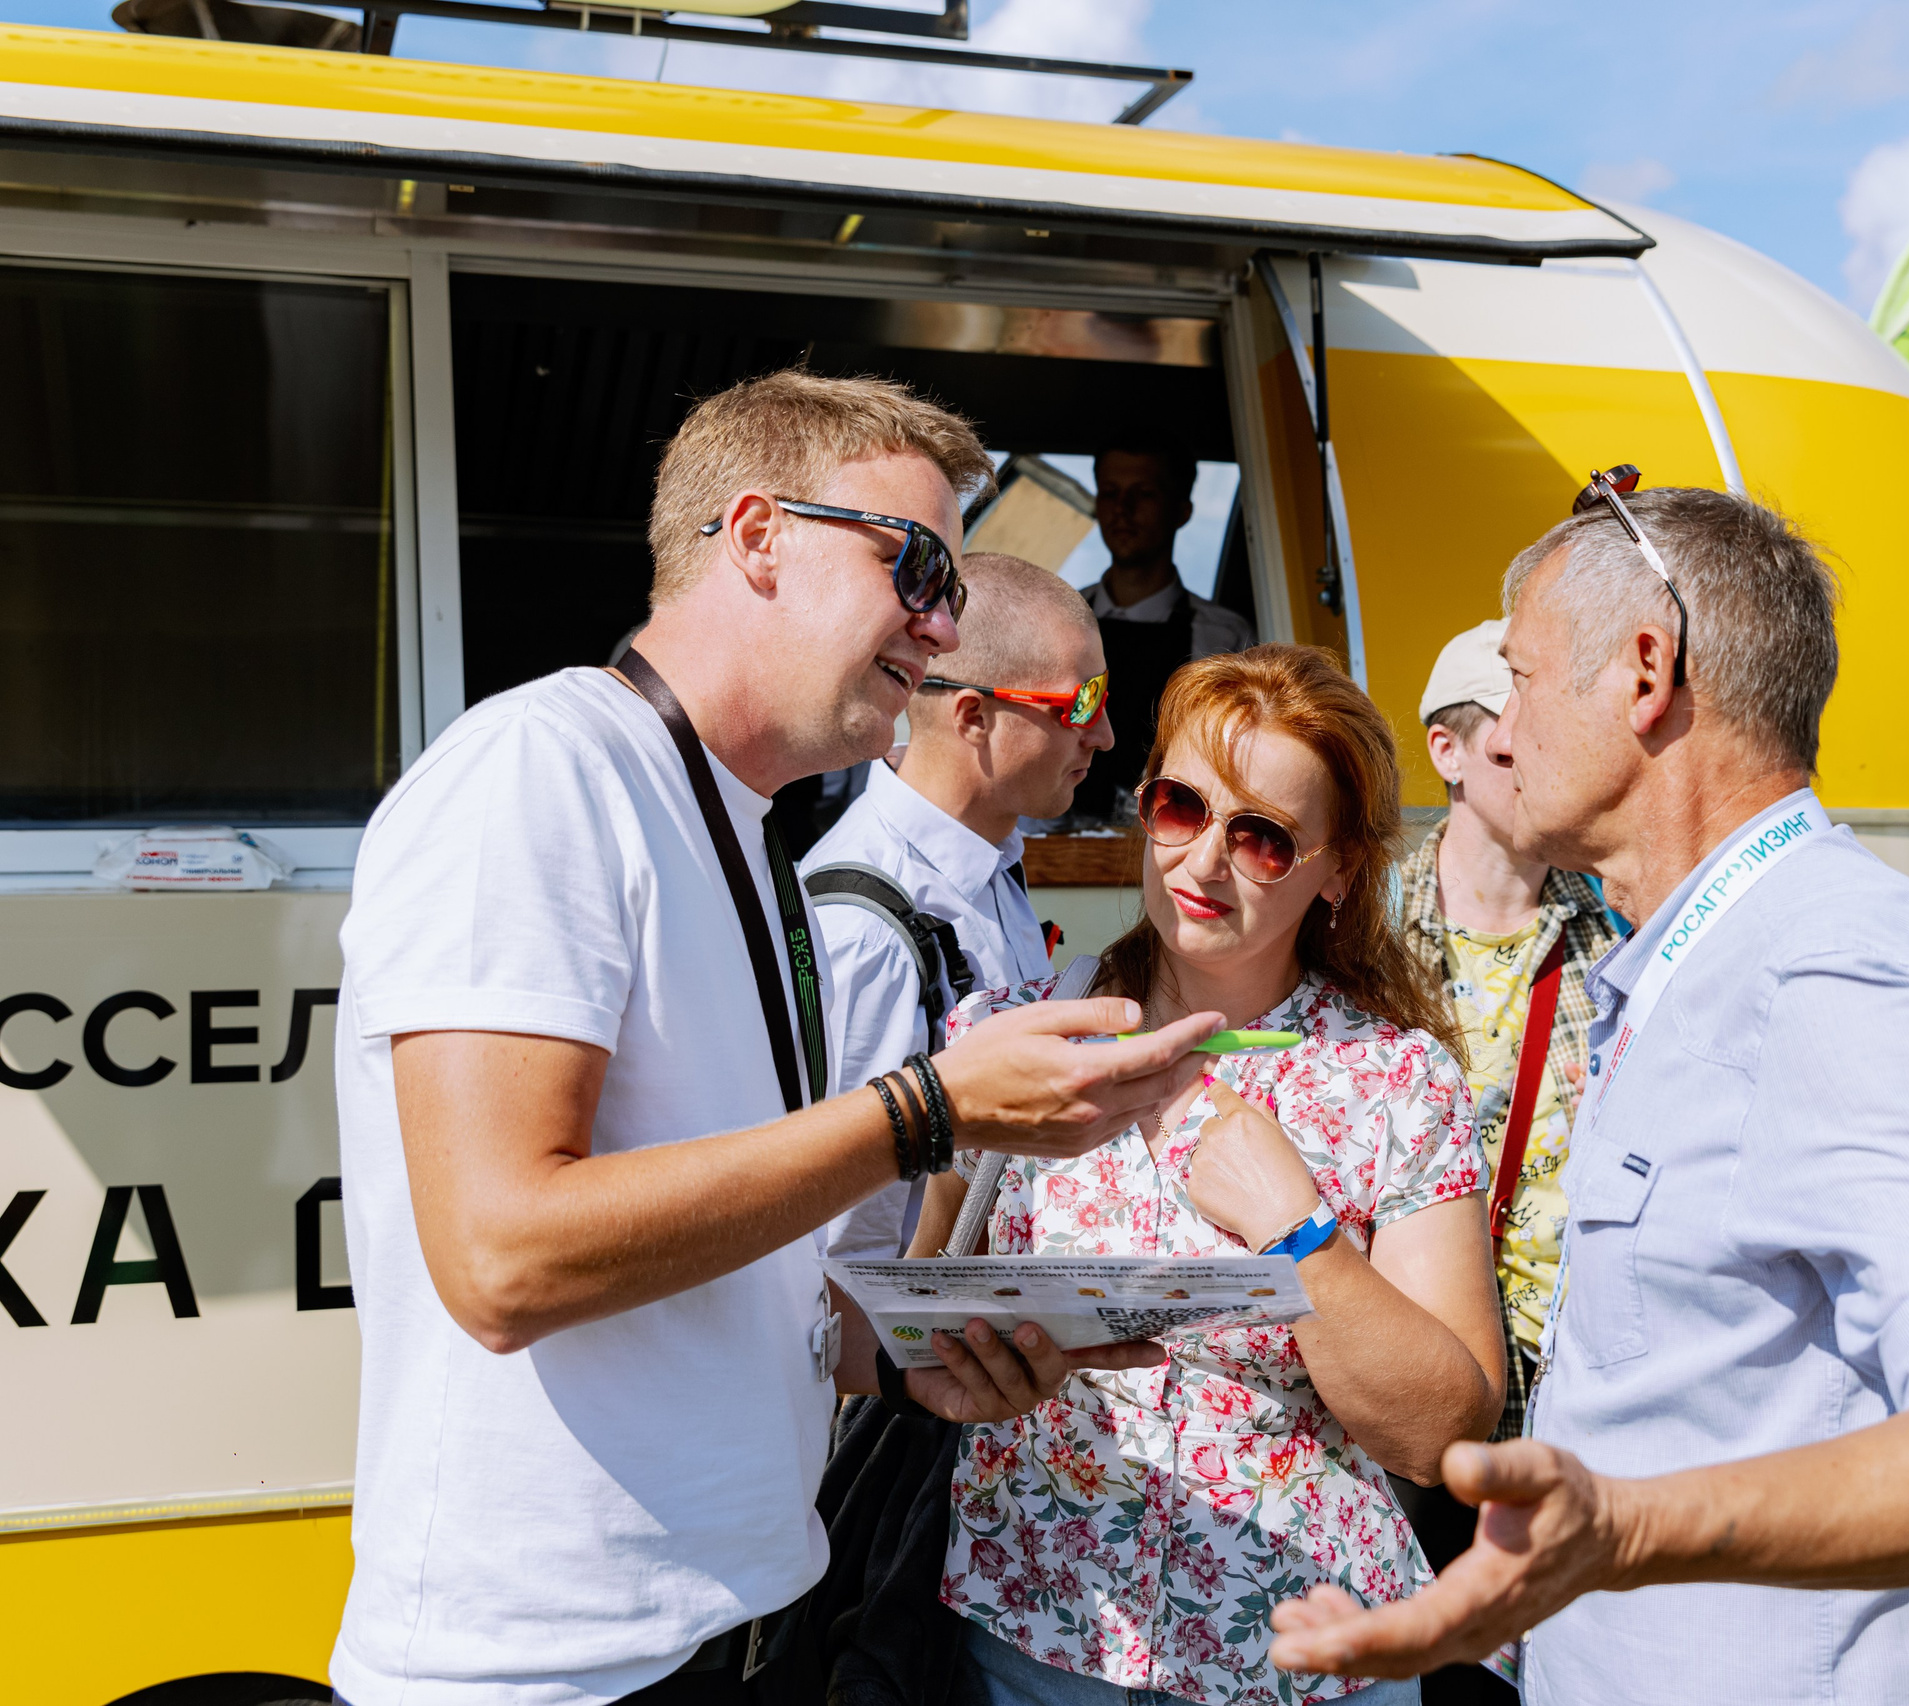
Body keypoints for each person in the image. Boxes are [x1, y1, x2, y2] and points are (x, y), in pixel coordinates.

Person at [330, 371, 1225, 1706]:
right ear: (754, 537)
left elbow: (753, 1274)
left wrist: (936, 1358)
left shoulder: (745, 830)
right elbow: (503, 1254)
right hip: (556, 1673)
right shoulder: (539, 770)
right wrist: (931, 1109)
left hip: (742, 1635)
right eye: (916, 564)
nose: (942, 622)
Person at [1266, 481, 1909, 1704]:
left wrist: (1618, 1528)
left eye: (1517, 676)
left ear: (1643, 672)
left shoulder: (1832, 973)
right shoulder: (1709, 961)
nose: (1498, 732)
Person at [910, 644, 1507, 1706]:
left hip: (1301, 1652)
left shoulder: (1394, 1079)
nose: (1203, 861)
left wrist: (1301, 1229)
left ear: (1337, 871)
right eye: (1180, 806)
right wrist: (959, 1370)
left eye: (1263, 836)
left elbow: (1442, 1429)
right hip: (1039, 1629)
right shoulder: (1016, 1034)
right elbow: (910, 1322)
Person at [802, 551, 1113, 1260]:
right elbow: (850, 1243)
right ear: (974, 717)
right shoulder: (866, 928)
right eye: (1083, 704)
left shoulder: (992, 865)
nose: (1104, 736)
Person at [1399, 618, 1618, 1444]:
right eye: (1505, 749)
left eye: (1549, 740)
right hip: (1430, 1366)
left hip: (1578, 1379)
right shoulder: (1361, 932)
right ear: (1446, 753)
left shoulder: (1618, 927)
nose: (1534, 767)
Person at [1074, 449, 1254, 820]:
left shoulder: (1225, 638)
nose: (1123, 508)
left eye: (1144, 493)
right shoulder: (1060, 617)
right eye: (1110, 492)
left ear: (1182, 511)